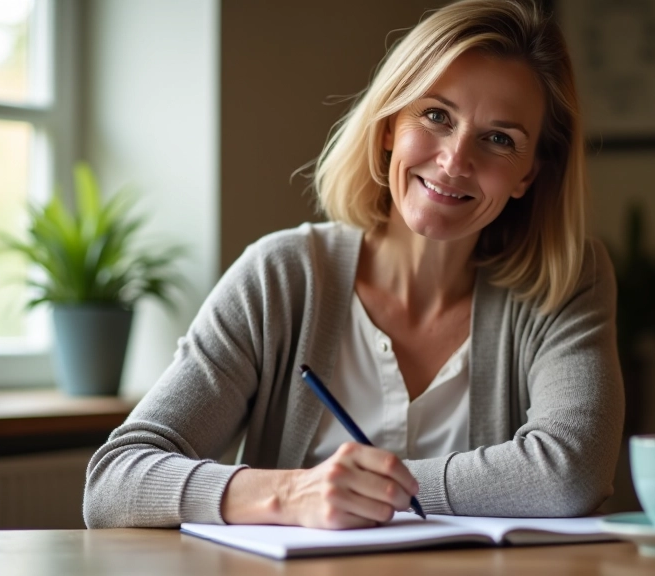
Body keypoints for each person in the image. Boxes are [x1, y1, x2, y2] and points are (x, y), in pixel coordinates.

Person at [83, 0, 623, 530]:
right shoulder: (281, 277)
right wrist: (293, 493)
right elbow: (115, 482)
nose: (455, 160)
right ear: (389, 127)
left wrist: (377, 489)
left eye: (499, 139)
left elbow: (570, 473)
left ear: (529, 174)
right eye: (436, 115)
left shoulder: (569, 280)